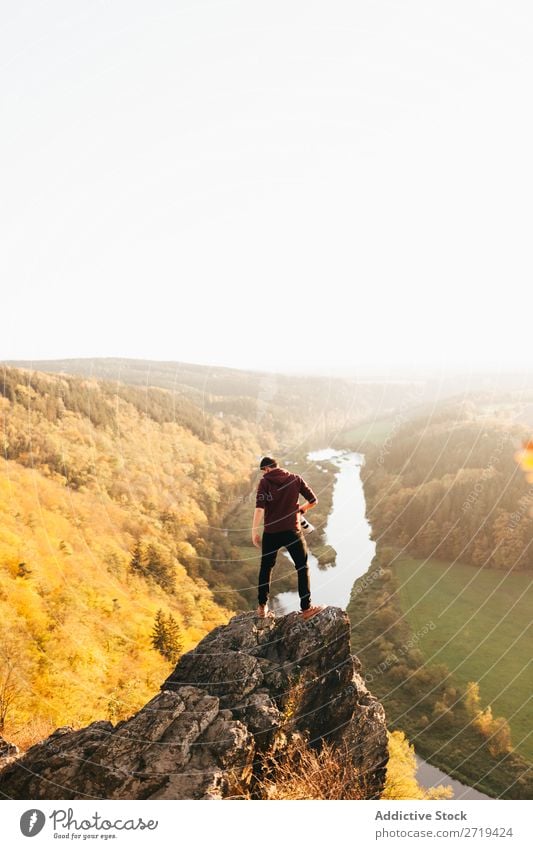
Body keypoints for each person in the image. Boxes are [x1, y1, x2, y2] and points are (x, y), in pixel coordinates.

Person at [252, 456, 325, 620]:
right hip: (292, 531)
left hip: (271, 533)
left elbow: (259, 508)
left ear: (267, 469)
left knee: (266, 568)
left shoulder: (265, 482)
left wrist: (254, 531)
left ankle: (262, 608)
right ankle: (306, 609)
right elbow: (313, 500)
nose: (264, 474)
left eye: (264, 471)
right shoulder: (295, 479)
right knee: (302, 567)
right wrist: (301, 510)